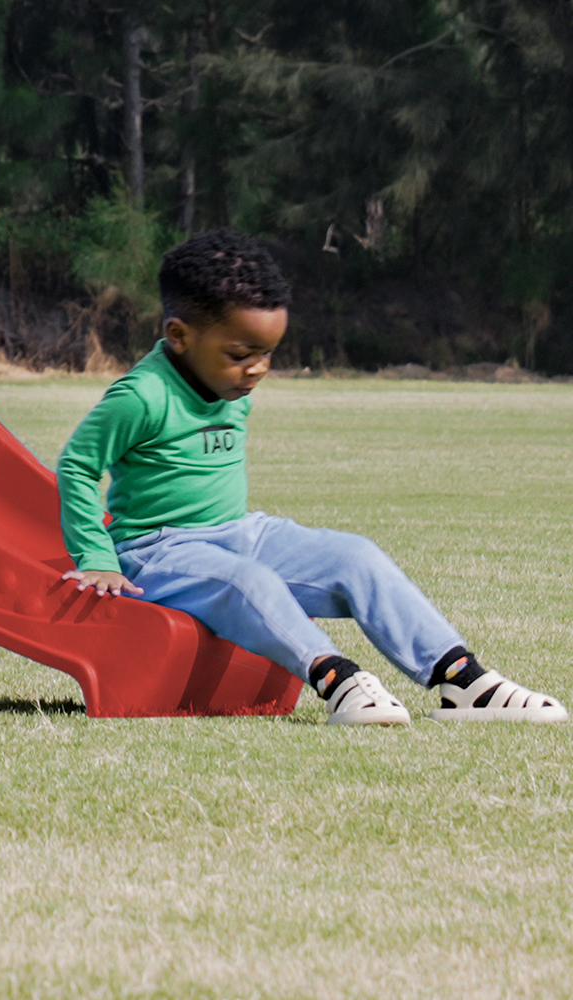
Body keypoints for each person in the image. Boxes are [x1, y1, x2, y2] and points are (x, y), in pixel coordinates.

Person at [58, 228, 563, 726]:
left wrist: (236, 365)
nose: (257, 370)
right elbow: (77, 468)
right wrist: (98, 558)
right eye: (241, 355)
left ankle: (463, 679)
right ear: (179, 336)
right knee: (249, 582)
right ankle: (337, 679)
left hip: (236, 534)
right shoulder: (141, 396)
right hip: (156, 552)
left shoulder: (227, 380)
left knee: (356, 556)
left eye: (266, 354)